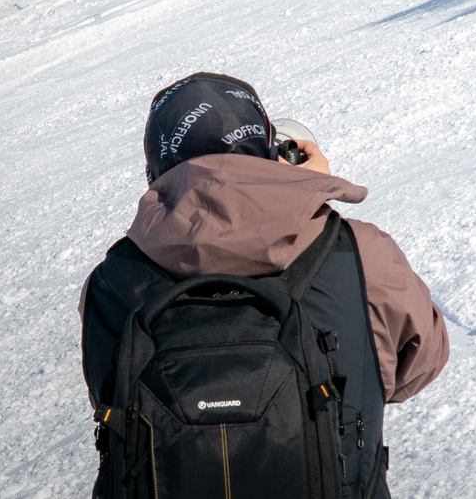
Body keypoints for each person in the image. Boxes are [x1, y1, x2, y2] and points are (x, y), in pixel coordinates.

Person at [80, 72, 449, 498]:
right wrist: (307, 196)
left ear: (156, 168)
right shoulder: (359, 252)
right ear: (271, 149)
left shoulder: (111, 282)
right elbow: (421, 362)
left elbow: (111, 398)